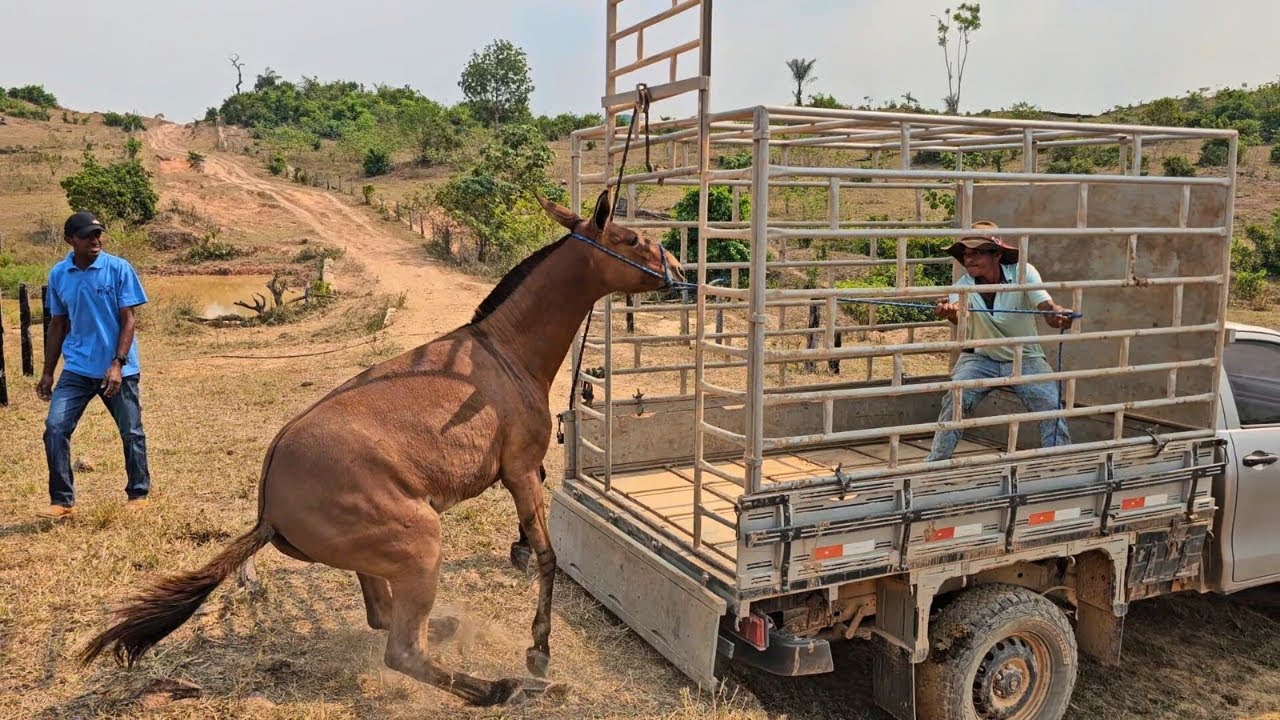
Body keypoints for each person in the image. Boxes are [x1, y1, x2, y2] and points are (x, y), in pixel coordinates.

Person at [925, 220, 1076, 462]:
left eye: (976, 253)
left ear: (996, 254)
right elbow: (959, 316)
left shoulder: (1023, 273)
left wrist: (1058, 315)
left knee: (1049, 403)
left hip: (1024, 355)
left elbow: (1045, 306)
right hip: (979, 356)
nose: (968, 259)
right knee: (955, 400)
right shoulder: (962, 286)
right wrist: (950, 311)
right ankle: (935, 464)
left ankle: (1059, 462)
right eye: (965, 253)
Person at [35, 211, 152, 518]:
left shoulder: (118, 269)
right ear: (70, 240)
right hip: (76, 368)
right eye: (87, 235)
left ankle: (138, 493)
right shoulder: (59, 274)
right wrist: (48, 372)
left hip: (118, 369)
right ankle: (62, 502)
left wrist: (118, 363)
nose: (95, 240)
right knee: (55, 428)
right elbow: (58, 324)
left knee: (131, 431)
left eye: (98, 234)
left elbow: (129, 319)